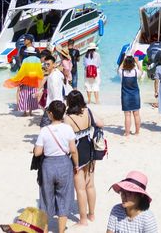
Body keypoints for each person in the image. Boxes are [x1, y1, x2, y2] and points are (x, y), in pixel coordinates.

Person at [33, 100, 79, 233]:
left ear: (50, 114)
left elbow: (38, 152)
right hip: (64, 163)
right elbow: (73, 150)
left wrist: (35, 147)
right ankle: (61, 231)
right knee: (64, 197)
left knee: (46, 198)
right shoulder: (68, 129)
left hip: (48, 165)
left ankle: (45, 230)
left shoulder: (44, 130)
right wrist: (76, 165)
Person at [64, 90, 101, 227]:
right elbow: (101, 123)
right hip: (90, 149)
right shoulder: (87, 111)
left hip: (77, 153)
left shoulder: (68, 118)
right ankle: (91, 214)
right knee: (90, 184)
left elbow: (67, 140)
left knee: (80, 188)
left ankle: (83, 220)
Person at [119, 55, 142, 136]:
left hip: (125, 96)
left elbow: (120, 68)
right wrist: (137, 62)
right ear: (133, 63)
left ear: (125, 63)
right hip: (135, 95)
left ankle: (127, 133)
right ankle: (137, 132)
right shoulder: (136, 72)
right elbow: (141, 70)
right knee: (136, 114)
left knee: (127, 115)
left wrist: (124, 59)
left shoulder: (122, 72)